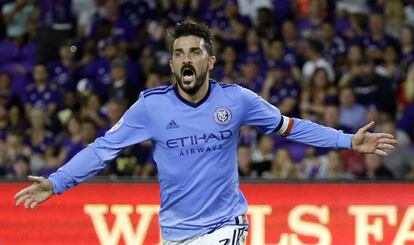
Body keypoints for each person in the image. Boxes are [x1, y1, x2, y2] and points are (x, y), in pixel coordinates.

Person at [14, 21, 397, 245]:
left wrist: (347, 140)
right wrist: (57, 182)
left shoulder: (238, 101)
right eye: (179, 53)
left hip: (225, 226)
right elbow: (102, 150)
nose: (186, 59)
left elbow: (290, 126)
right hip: (175, 233)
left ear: (210, 61)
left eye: (194, 52)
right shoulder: (151, 107)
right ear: (171, 63)